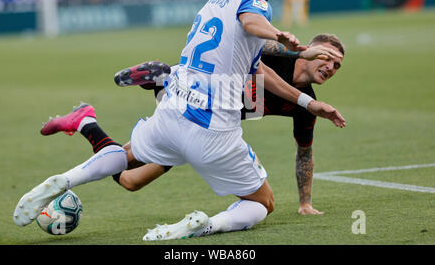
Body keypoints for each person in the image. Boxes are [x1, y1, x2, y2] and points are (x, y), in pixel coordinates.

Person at [13, 0, 345, 240]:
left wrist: (308, 100)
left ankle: (69, 175)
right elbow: (250, 20)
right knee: (263, 202)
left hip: (174, 109)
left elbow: (257, 65)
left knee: (130, 174)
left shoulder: (215, 2)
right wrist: (279, 34)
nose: (329, 66)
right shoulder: (256, 6)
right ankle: (204, 226)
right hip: (213, 129)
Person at [109, 33, 344, 216]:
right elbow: (255, 44)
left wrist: (305, 203)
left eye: (337, 66)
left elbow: (305, 152)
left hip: (206, 129)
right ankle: (161, 79)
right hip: (193, 96)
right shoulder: (281, 54)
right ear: (313, 51)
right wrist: (299, 53)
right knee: (127, 166)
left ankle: (89, 125)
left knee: (131, 180)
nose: (331, 68)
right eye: (328, 58)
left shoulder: (308, 105)